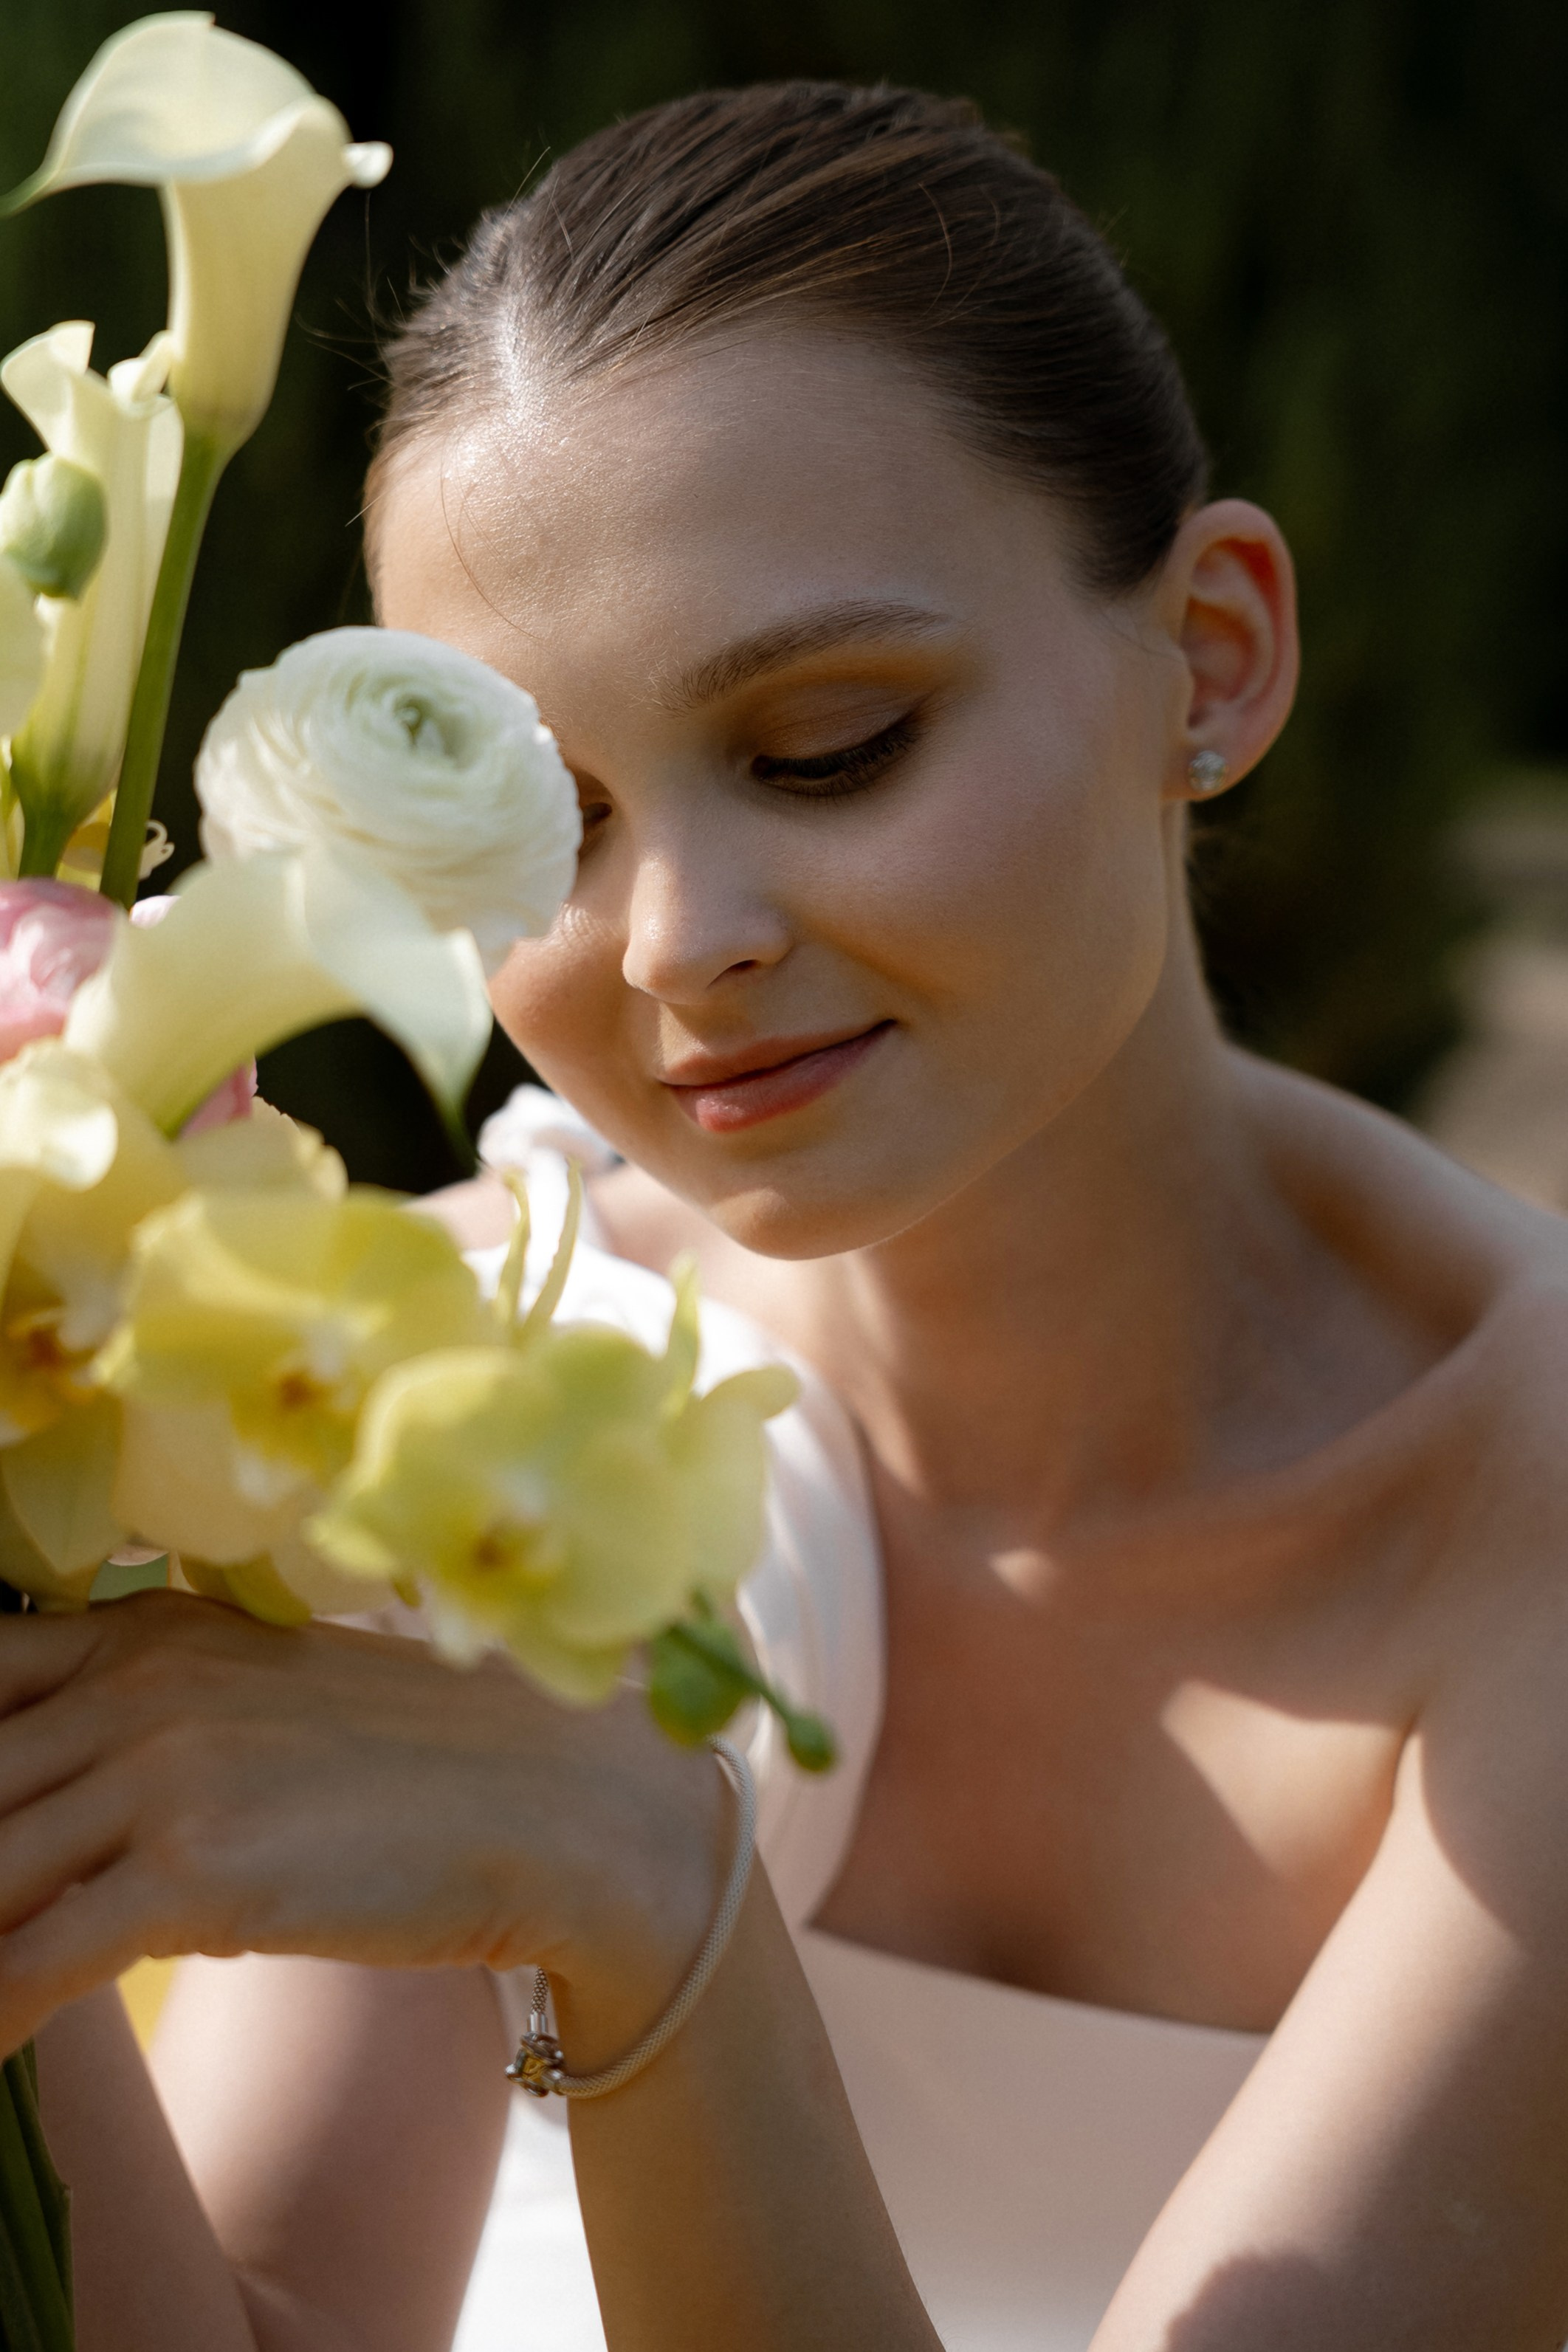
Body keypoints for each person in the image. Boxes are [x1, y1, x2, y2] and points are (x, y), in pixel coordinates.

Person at [4, 78, 1568, 2352]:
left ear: (1212, 652)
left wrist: (665, 1906)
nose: (676, 942)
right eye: (545, 829)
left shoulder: (1532, 1520)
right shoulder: (467, 1386)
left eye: (829, 746)